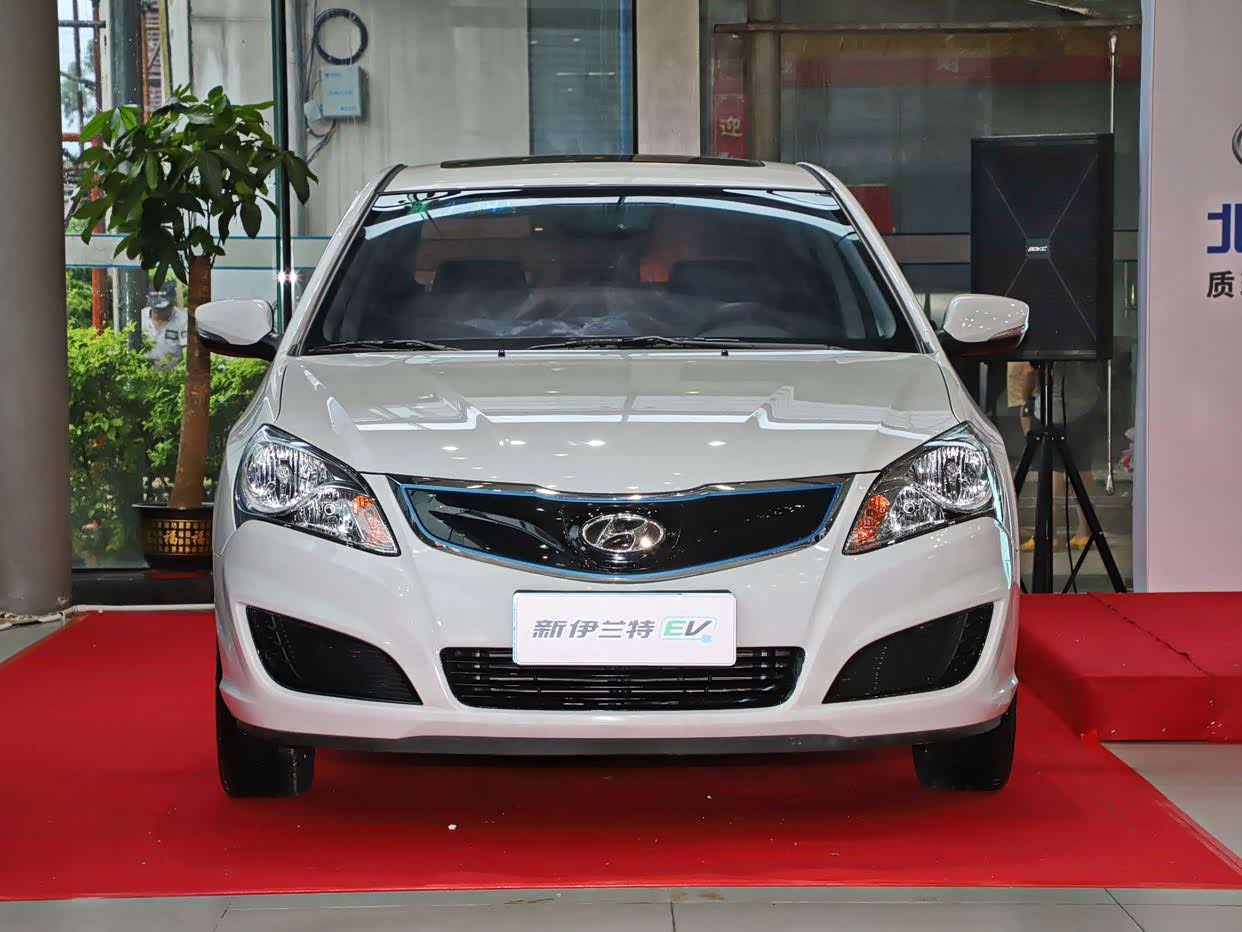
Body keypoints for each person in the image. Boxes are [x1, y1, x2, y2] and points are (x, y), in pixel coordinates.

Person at [1008, 361, 1095, 552]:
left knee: (1050, 469)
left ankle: (1048, 533)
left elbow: (1029, 370)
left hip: (1052, 411)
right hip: (1085, 406)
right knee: (1081, 469)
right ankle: (1085, 533)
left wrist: (1026, 400)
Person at [140, 286, 188, 369]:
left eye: (162, 309)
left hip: (173, 372)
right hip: (144, 371)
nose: (158, 312)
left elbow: (187, 350)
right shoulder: (140, 317)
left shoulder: (183, 319)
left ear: (172, 304)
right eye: (155, 308)